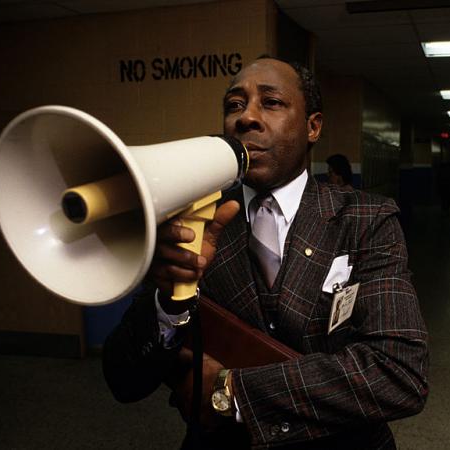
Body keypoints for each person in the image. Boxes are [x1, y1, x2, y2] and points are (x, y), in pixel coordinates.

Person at [103, 57, 429, 449]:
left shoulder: (366, 219)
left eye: (271, 102)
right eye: (234, 105)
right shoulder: (194, 220)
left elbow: (398, 373)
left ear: (313, 126)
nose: (246, 118)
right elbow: (123, 380)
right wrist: (169, 301)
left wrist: (232, 391)